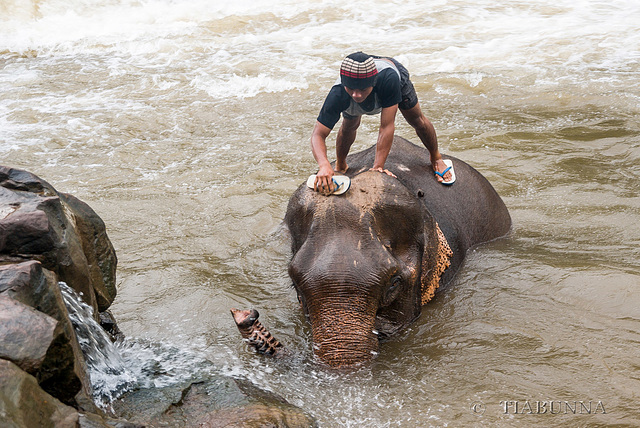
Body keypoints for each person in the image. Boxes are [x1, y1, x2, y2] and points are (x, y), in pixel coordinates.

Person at [310, 51, 454, 193]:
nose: (356, 95)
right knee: (349, 124)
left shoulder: (388, 80)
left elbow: (386, 126)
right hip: (360, 76)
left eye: (362, 89)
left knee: (416, 119)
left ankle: (436, 157)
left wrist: (378, 166)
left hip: (392, 74)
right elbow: (318, 135)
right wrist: (324, 165)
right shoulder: (338, 93)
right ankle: (341, 165)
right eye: (351, 88)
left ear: (373, 83)